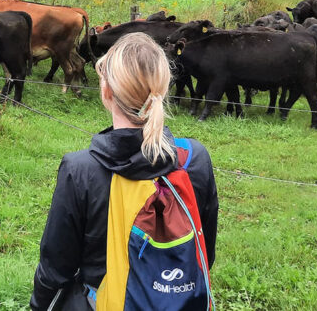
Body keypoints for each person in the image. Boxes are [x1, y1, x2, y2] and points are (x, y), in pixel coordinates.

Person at [31, 32, 219, 310]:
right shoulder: (194, 158)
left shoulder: (80, 170)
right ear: (164, 88)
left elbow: (55, 270)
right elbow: (205, 252)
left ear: (106, 93)